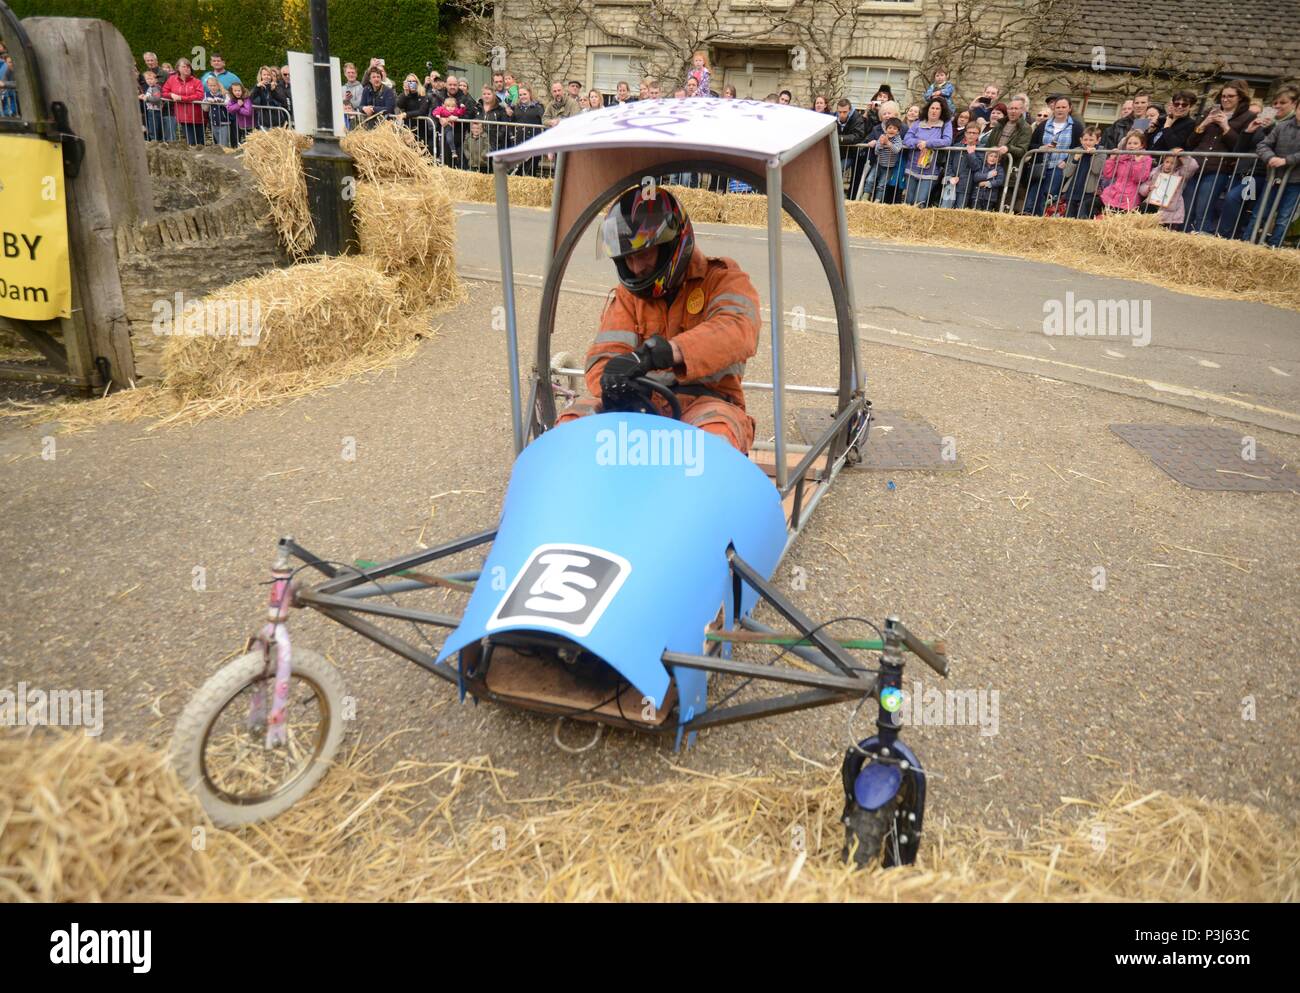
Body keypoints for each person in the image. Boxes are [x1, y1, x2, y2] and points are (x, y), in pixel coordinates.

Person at [556, 188, 761, 454]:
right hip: (640, 405)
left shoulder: (721, 280)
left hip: (707, 403)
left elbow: (739, 330)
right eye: (628, 258)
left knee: (712, 442)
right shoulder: (628, 297)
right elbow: (604, 356)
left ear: (672, 246)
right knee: (571, 426)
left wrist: (667, 353)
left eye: (643, 254)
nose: (636, 267)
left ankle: (699, 494)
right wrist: (613, 382)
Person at [1185, 79, 1256, 233]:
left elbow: (1240, 146)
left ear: (1240, 98)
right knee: (1187, 207)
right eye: (1223, 96)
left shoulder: (1248, 117)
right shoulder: (1209, 111)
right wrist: (1204, 124)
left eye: (1230, 96)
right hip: (1195, 165)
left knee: (1203, 210)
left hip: (1218, 168)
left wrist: (1225, 126)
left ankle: (1201, 241)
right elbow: (1190, 142)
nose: (1225, 99)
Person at [1247, 84, 1300, 246]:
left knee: (1284, 217)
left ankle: (1274, 247)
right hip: (1274, 178)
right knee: (1260, 213)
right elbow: (1263, 145)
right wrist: (1270, 157)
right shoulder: (1282, 126)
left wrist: (1286, 160)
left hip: (1295, 181)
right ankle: (1246, 243)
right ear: (1296, 108)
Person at [1025, 95, 1085, 215]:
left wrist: (1067, 160)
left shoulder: (1076, 127)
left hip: (1059, 166)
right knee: (1033, 193)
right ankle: (1027, 215)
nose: (1060, 110)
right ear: (1053, 108)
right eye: (1058, 107)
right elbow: (1031, 144)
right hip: (1042, 165)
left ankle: (1043, 217)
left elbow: (1079, 147)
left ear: (1069, 108)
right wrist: (1041, 148)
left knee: (1049, 195)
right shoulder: (1043, 125)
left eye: (1064, 107)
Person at [903, 96, 953, 206]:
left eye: (937, 109)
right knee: (908, 200)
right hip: (912, 166)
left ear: (942, 111)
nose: (934, 111)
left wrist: (928, 143)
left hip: (930, 169)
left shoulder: (946, 124)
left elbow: (947, 140)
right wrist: (918, 143)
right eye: (932, 108)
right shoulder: (918, 122)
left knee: (920, 201)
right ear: (928, 109)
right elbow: (907, 139)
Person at [1139, 151, 1199, 228]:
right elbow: (1142, 188)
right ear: (1163, 161)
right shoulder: (1156, 172)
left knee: (1165, 230)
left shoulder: (1180, 174)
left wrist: (1183, 155)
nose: (1169, 165)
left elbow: (1193, 166)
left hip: (1169, 211)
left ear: (1177, 165)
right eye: (1167, 162)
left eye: (1172, 163)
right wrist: (1148, 188)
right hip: (1153, 207)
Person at [1100, 130, 1153, 211]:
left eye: (1135, 143)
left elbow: (1139, 179)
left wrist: (1137, 162)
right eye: (1129, 143)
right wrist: (1111, 159)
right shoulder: (1122, 157)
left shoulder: (1145, 159)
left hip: (1129, 197)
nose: (1131, 146)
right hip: (1114, 193)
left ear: (1141, 145)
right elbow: (1108, 175)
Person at [1061, 124, 1105, 217]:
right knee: (1069, 217)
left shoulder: (1101, 153)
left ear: (1098, 140)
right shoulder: (1075, 151)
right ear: (1081, 140)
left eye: (1091, 140)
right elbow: (1067, 173)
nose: (1087, 142)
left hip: (1088, 192)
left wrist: (1094, 155)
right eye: (1085, 140)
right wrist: (1075, 160)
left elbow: (1096, 170)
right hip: (1072, 189)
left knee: (1083, 216)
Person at [162, 58, 206, 145]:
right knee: (191, 142)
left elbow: (200, 96)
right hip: (183, 116)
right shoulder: (171, 80)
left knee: (200, 143)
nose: (187, 69)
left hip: (198, 116)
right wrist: (171, 95)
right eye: (184, 67)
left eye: (188, 67)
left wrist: (182, 98)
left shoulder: (196, 81)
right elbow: (164, 92)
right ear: (178, 68)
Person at [941, 122, 984, 207]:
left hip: (966, 185)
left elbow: (977, 167)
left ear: (978, 135)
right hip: (952, 182)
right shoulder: (957, 146)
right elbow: (948, 162)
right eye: (969, 132)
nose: (971, 135)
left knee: (959, 208)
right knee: (945, 207)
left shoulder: (981, 148)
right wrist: (951, 176)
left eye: (974, 133)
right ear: (965, 133)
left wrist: (971, 154)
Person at [835, 98, 868, 198]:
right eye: (840, 112)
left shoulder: (857, 118)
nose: (842, 114)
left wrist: (840, 139)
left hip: (850, 153)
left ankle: (838, 196)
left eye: (844, 112)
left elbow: (857, 136)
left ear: (849, 110)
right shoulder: (833, 117)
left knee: (838, 170)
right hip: (836, 152)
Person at [202, 74, 230, 147]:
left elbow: (229, 104)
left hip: (223, 122)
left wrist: (221, 101)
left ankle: (225, 156)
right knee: (217, 143)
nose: (213, 87)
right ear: (208, 86)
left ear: (218, 85)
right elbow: (205, 109)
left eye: (214, 85)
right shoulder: (206, 94)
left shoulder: (224, 93)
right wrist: (207, 102)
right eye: (210, 86)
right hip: (213, 122)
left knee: (223, 144)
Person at [140, 70, 165, 140]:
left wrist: (147, 98)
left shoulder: (155, 88)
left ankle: (155, 140)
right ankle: (156, 139)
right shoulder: (150, 88)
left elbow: (157, 99)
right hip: (151, 110)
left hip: (154, 111)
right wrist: (144, 96)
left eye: (151, 79)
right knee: (153, 126)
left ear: (156, 80)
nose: (149, 81)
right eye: (147, 79)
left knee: (153, 127)